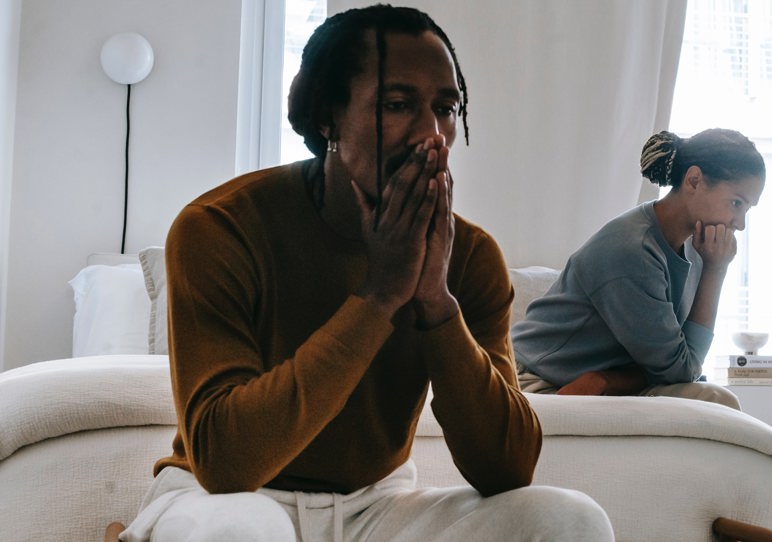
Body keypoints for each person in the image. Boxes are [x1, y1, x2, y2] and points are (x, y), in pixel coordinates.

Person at [120, 5, 613, 542]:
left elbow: (509, 469)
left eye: (446, 107)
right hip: (220, 500)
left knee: (570, 520)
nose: (432, 135)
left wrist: (435, 301)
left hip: (376, 504)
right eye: (396, 104)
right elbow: (226, 463)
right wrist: (379, 296)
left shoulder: (470, 255)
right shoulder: (220, 228)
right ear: (328, 115)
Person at [511, 128, 766, 409]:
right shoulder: (633, 250)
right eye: (736, 203)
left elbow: (679, 366)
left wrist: (607, 380)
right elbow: (681, 370)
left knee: (713, 400)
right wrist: (716, 271)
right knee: (714, 399)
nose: (739, 223)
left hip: (594, 381)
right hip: (539, 380)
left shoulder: (696, 245)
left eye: (746, 209)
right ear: (693, 180)